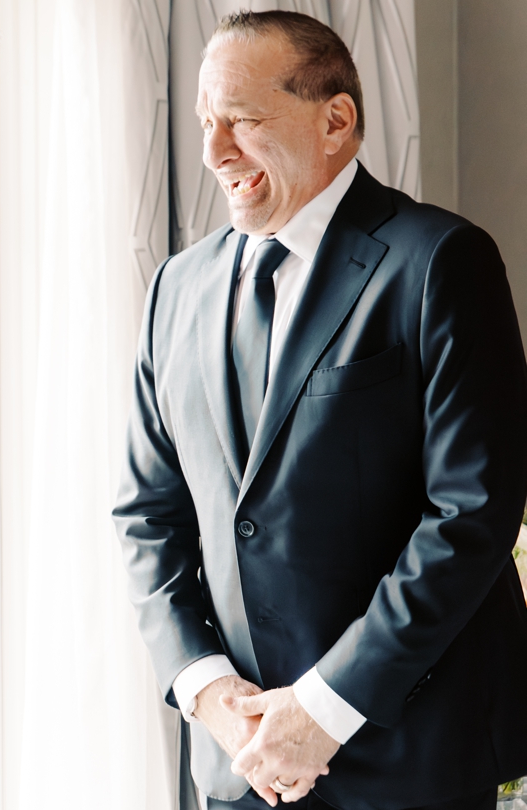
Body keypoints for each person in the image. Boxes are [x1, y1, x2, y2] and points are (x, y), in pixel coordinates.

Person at [113, 11, 527, 810]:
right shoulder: (175, 287)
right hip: (239, 760)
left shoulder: (442, 260)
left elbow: (471, 514)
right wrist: (207, 692)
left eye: (242, 120)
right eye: (206, 123)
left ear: (336, 120)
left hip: (407, 759)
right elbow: (146, 513)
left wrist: (324, 709)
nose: (213, 152)